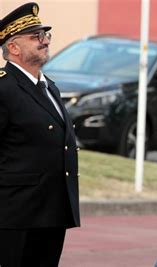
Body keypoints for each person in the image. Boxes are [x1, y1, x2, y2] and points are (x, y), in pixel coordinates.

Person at [0, 3, 80, 266]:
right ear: (13, 47)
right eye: (36, 37)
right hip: (14, 216)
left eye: (46, 35)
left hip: (51, 211)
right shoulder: (4, 89)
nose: (45, 41)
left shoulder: (50, 88)